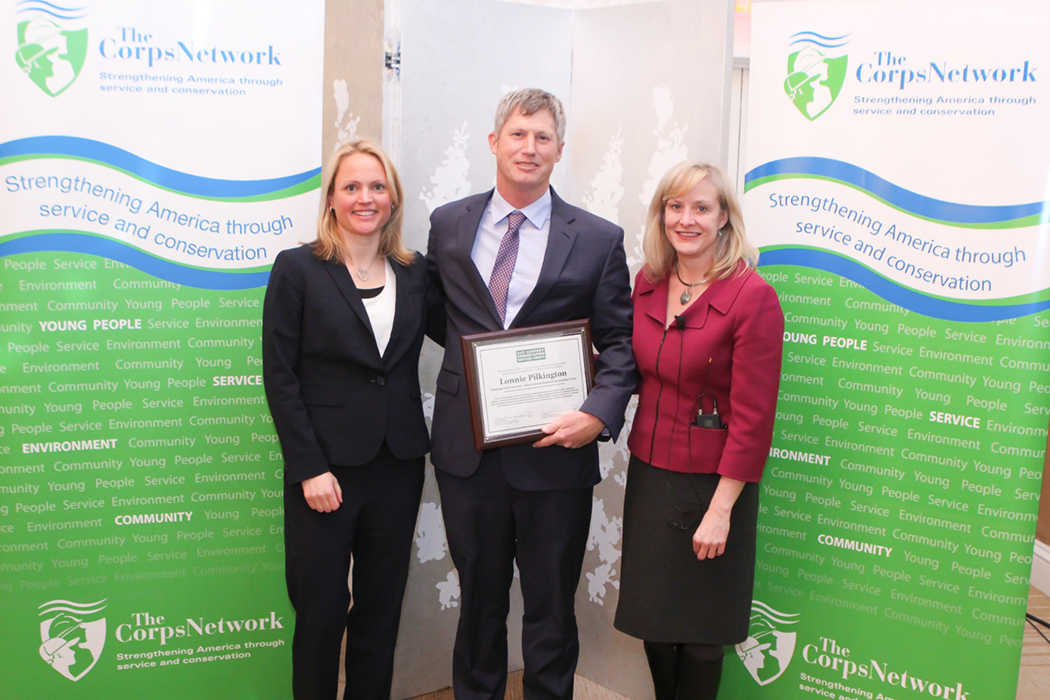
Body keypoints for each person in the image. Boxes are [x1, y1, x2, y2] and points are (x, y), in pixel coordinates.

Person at [426, 88, 635, 700]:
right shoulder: (448, 225)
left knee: (551, 617)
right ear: (494, 142)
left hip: (557, 457)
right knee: (478, 612)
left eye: (543, 138)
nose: (529, 147)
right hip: (472, 456)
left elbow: (621, 345)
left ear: (560, 151)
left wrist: (596, 416)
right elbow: (441, 318)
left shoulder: (598, 238)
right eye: (518, 134)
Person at [263, 139, 441, 700]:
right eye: (352, 187)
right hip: (325, 472)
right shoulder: (298, 269)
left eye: (377, 186)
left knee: (380, 612)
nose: (366, 197)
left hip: (398, 464)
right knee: (319, 613)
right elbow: (280, 376)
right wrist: (308, 467)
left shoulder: (416, 273)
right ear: (333, 200)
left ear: (393, 198)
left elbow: (470, 338)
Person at [613, 161, 783, 700]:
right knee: (657, 627)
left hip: (716, 485)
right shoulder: (647, 282)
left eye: (701, 208)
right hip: (652, 477)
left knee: (705, 637)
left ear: (724, 217)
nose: (686, 219)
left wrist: (720, 509)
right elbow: (633, 365)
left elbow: (755, 418)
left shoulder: (753, 296)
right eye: (675, 206)